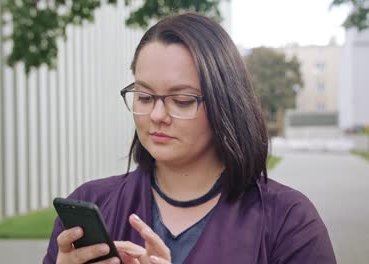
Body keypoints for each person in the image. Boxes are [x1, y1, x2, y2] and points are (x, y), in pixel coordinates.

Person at [43, 12, 336, 264]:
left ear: (226, 103)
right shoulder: (91, 203)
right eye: (144, 96)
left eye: (181, 100)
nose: (157, 114)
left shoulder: (288, 220)